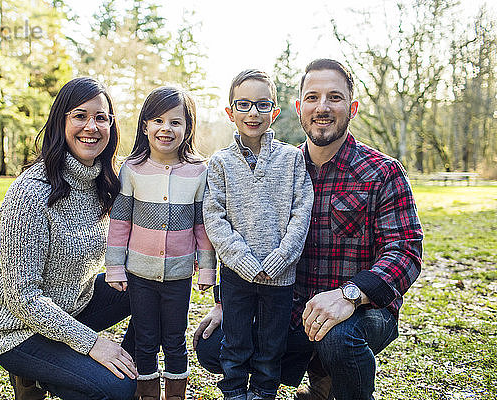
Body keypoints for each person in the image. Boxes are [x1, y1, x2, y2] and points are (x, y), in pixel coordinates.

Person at [194, 59, 423, 400]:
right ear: (299, 107)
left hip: (360, 311)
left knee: (339, 337)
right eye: (313, 97)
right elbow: (242, 224)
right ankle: (318, 379)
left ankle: (340, 387)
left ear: (352, 107)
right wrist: (223, 302)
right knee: (213, 345)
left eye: (335, 97)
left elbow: (405, 252)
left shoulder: (382, 172)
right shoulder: (283, 164)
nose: (323, 107)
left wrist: (350, 295)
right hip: (286, 304)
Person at [0, 77, 138, 400]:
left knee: (150, 285)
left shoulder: (104, 182)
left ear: (111, 126)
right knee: (117, 390)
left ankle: (130, 366)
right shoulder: (31, 192)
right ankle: (35, 375)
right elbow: (22, 297)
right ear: (60, 122)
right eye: (80, 116)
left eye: (101, 117)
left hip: (73, 307)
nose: (91, 126)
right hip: (18, 328)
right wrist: (93, 345)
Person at [202, 69, 314, 400]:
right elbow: (214, 217)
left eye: (263, 105)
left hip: (281, 277)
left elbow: (301, 212)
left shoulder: (292, 159)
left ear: (275, 112)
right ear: (230, 113)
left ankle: (264, 394)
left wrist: (280, 258)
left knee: (270, 346)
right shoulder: (220, 163)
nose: (253, 113)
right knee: (235, 343)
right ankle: (234, 394)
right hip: (237, 275)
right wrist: (243, 261)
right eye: (244, 105)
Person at [105, 86, 216, 400]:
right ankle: (149, 394)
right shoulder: (132, 169)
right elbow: (120, 223)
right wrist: (115, 268)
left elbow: (201, 226)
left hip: (179, 275)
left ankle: (176, 395)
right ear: (145, 126)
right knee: (145, 339)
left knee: (175, 339)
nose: (166, 128)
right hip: (139, 274)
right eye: (158, 120)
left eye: (175, 122)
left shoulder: (198, 172)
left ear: (187, 128)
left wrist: (207, 271)